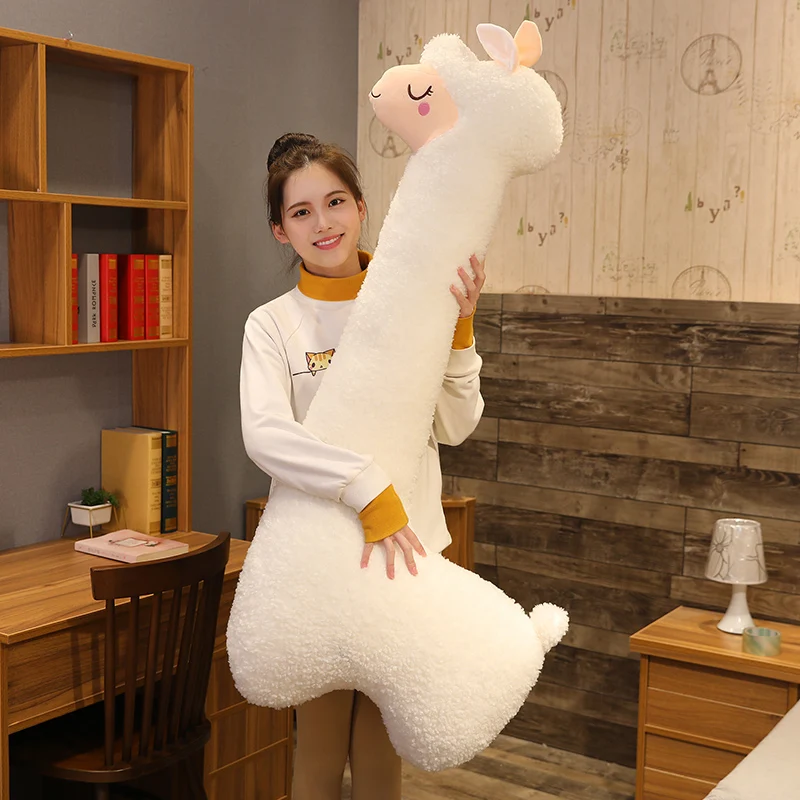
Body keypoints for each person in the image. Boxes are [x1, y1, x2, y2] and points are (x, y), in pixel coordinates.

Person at [239, 132, 485, 800]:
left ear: (361, 206)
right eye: (301, 212)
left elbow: (455, 426)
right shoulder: (272, 325)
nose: (323, 223)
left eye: (335, 202)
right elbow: (266, 435)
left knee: (381, 753)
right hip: (320, 560)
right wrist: (365, 488)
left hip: (404, 555)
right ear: (280, 230)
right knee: (318, 754)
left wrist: (459, 331)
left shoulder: (416, 304)